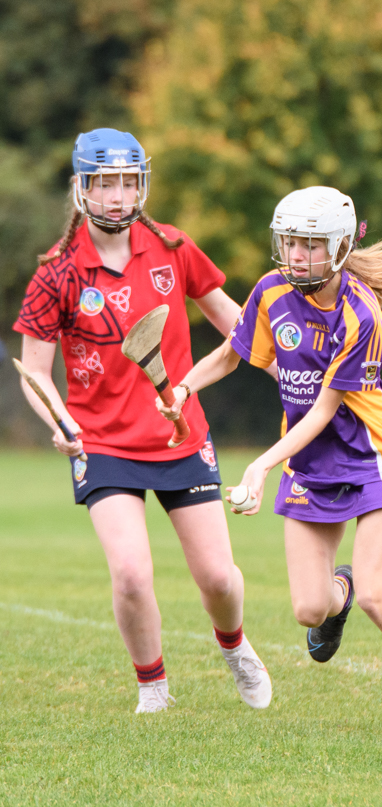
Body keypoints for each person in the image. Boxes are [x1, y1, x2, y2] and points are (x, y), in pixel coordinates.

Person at [157, 186, 382, 734]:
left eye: (311, 244)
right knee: (310, 610)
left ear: (339, 247)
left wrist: (260, 465)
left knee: (380, 595)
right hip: (310, 465)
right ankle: (340, 590)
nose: (298, 255)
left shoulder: (362, 315)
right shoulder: (271, 291)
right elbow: (232, 354)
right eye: (291, 243)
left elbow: (324, 412)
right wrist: (184, 388)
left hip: (371, 457)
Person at [13, 128, 272, 714]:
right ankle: (152, 687)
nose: (117, 196)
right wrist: (58, 421)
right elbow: (34, 370)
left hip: (180, 435)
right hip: (100, 442)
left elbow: (234, 321)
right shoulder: (56, 273)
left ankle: (232, 645)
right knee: (131, 573)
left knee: (220, 580)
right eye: (104, 183)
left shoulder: (174, 248)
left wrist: (288, 365)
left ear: (141, 185)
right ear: (81, 188)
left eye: (127, 182)